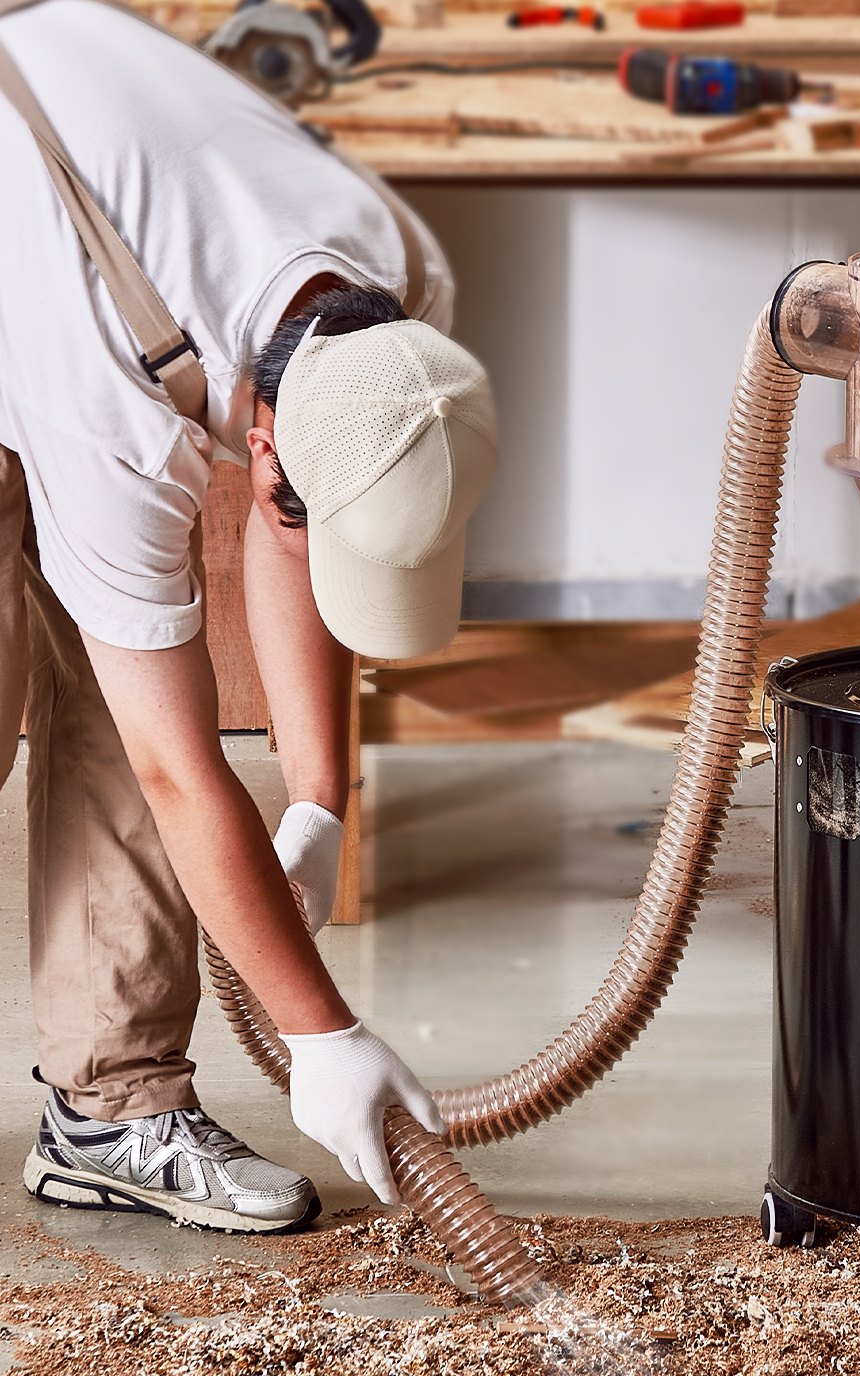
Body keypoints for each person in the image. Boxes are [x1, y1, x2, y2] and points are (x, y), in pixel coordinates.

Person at [0, 0, 499, 1231]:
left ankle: (111, 1110)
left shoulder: (394, 294)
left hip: (94, 235)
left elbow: (296, 522)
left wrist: (321, 794)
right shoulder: (116, 386)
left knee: (125, 696)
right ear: (265, 433)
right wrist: (320, 1033)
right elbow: (182, 772)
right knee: (117, 696)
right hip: (48, 265)